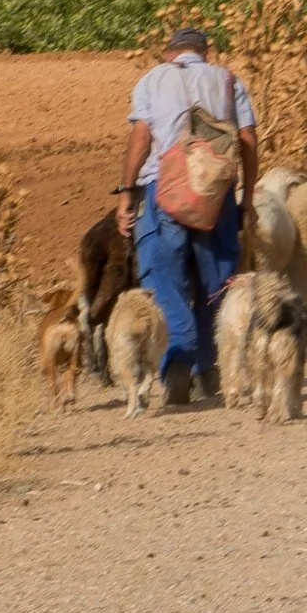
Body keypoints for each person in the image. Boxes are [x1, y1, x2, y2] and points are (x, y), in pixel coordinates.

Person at [115, 26, 258, 405]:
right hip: (216, 193)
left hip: (164, 190)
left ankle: (178, 357)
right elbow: (247, 140)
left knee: (163, 279)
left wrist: (127, 191)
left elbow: (141, 138)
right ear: (206, 53)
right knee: (217, 283)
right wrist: (247, 198)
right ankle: (208, 369)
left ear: (169, 53)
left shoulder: (151, 80)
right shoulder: (228, 80)